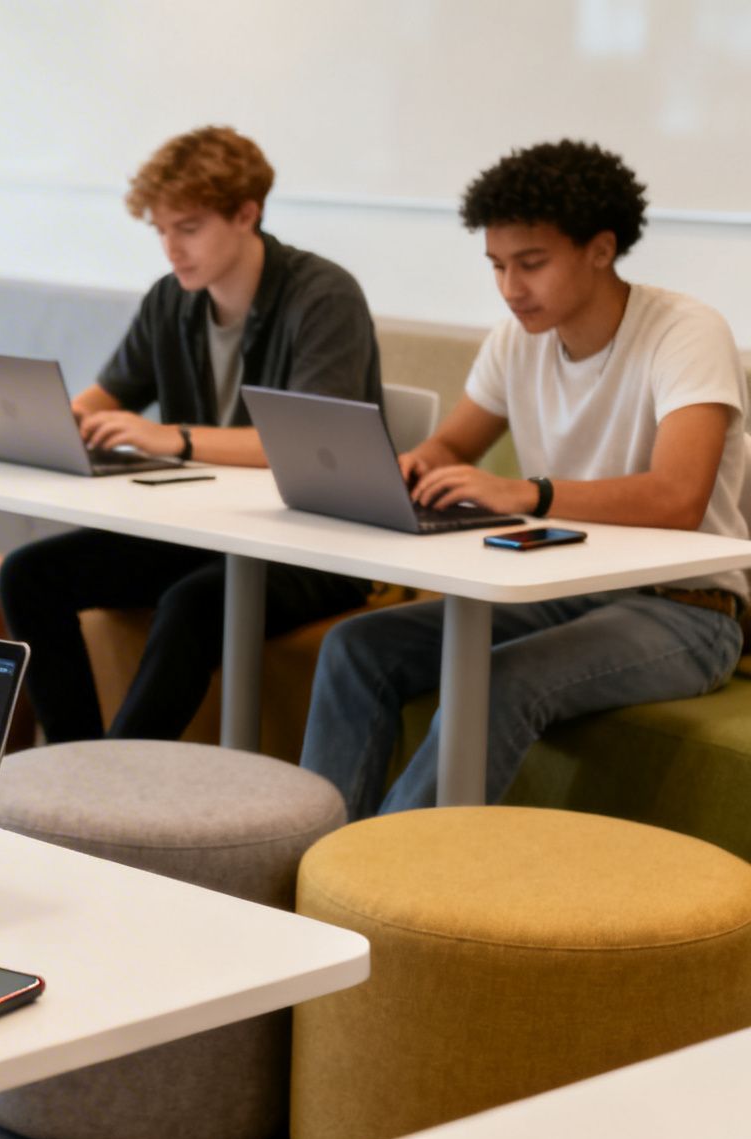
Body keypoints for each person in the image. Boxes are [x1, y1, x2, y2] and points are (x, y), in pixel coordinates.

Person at [301, 139, 747, 817]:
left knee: (497, 682)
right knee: (358, 647)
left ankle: (375, 890)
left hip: (687, 611)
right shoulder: (517, 337)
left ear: (601, 249)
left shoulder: (686, 333)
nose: (511, 288)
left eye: (531, 264)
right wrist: (424, 462)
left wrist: (527, 492)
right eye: (497, 266)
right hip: (566, 587)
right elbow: (455, 441)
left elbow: (678, 498)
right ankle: (314, 861)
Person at [0, 126, 378, 744]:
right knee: (27, 575)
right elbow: (103, 399)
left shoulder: (323, 297)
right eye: (161, 230)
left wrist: (170, 437)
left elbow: (308, 451)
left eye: (189, 227)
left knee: (192, 604)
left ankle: (113, 783)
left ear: (247, 213)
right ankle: (72, 762)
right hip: (205, 529)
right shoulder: (171, 301)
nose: (172, 248)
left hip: (314, 546)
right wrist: (40, 423)